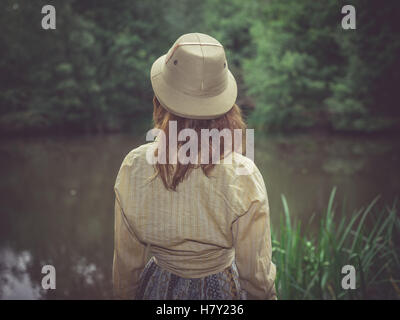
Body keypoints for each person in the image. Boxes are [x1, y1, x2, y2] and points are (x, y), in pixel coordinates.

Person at [113, 33, 276, 300]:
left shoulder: (135, 165)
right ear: (226, 107)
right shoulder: (243, 174)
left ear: (160, 101)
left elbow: (126, 265)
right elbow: (255, 274)